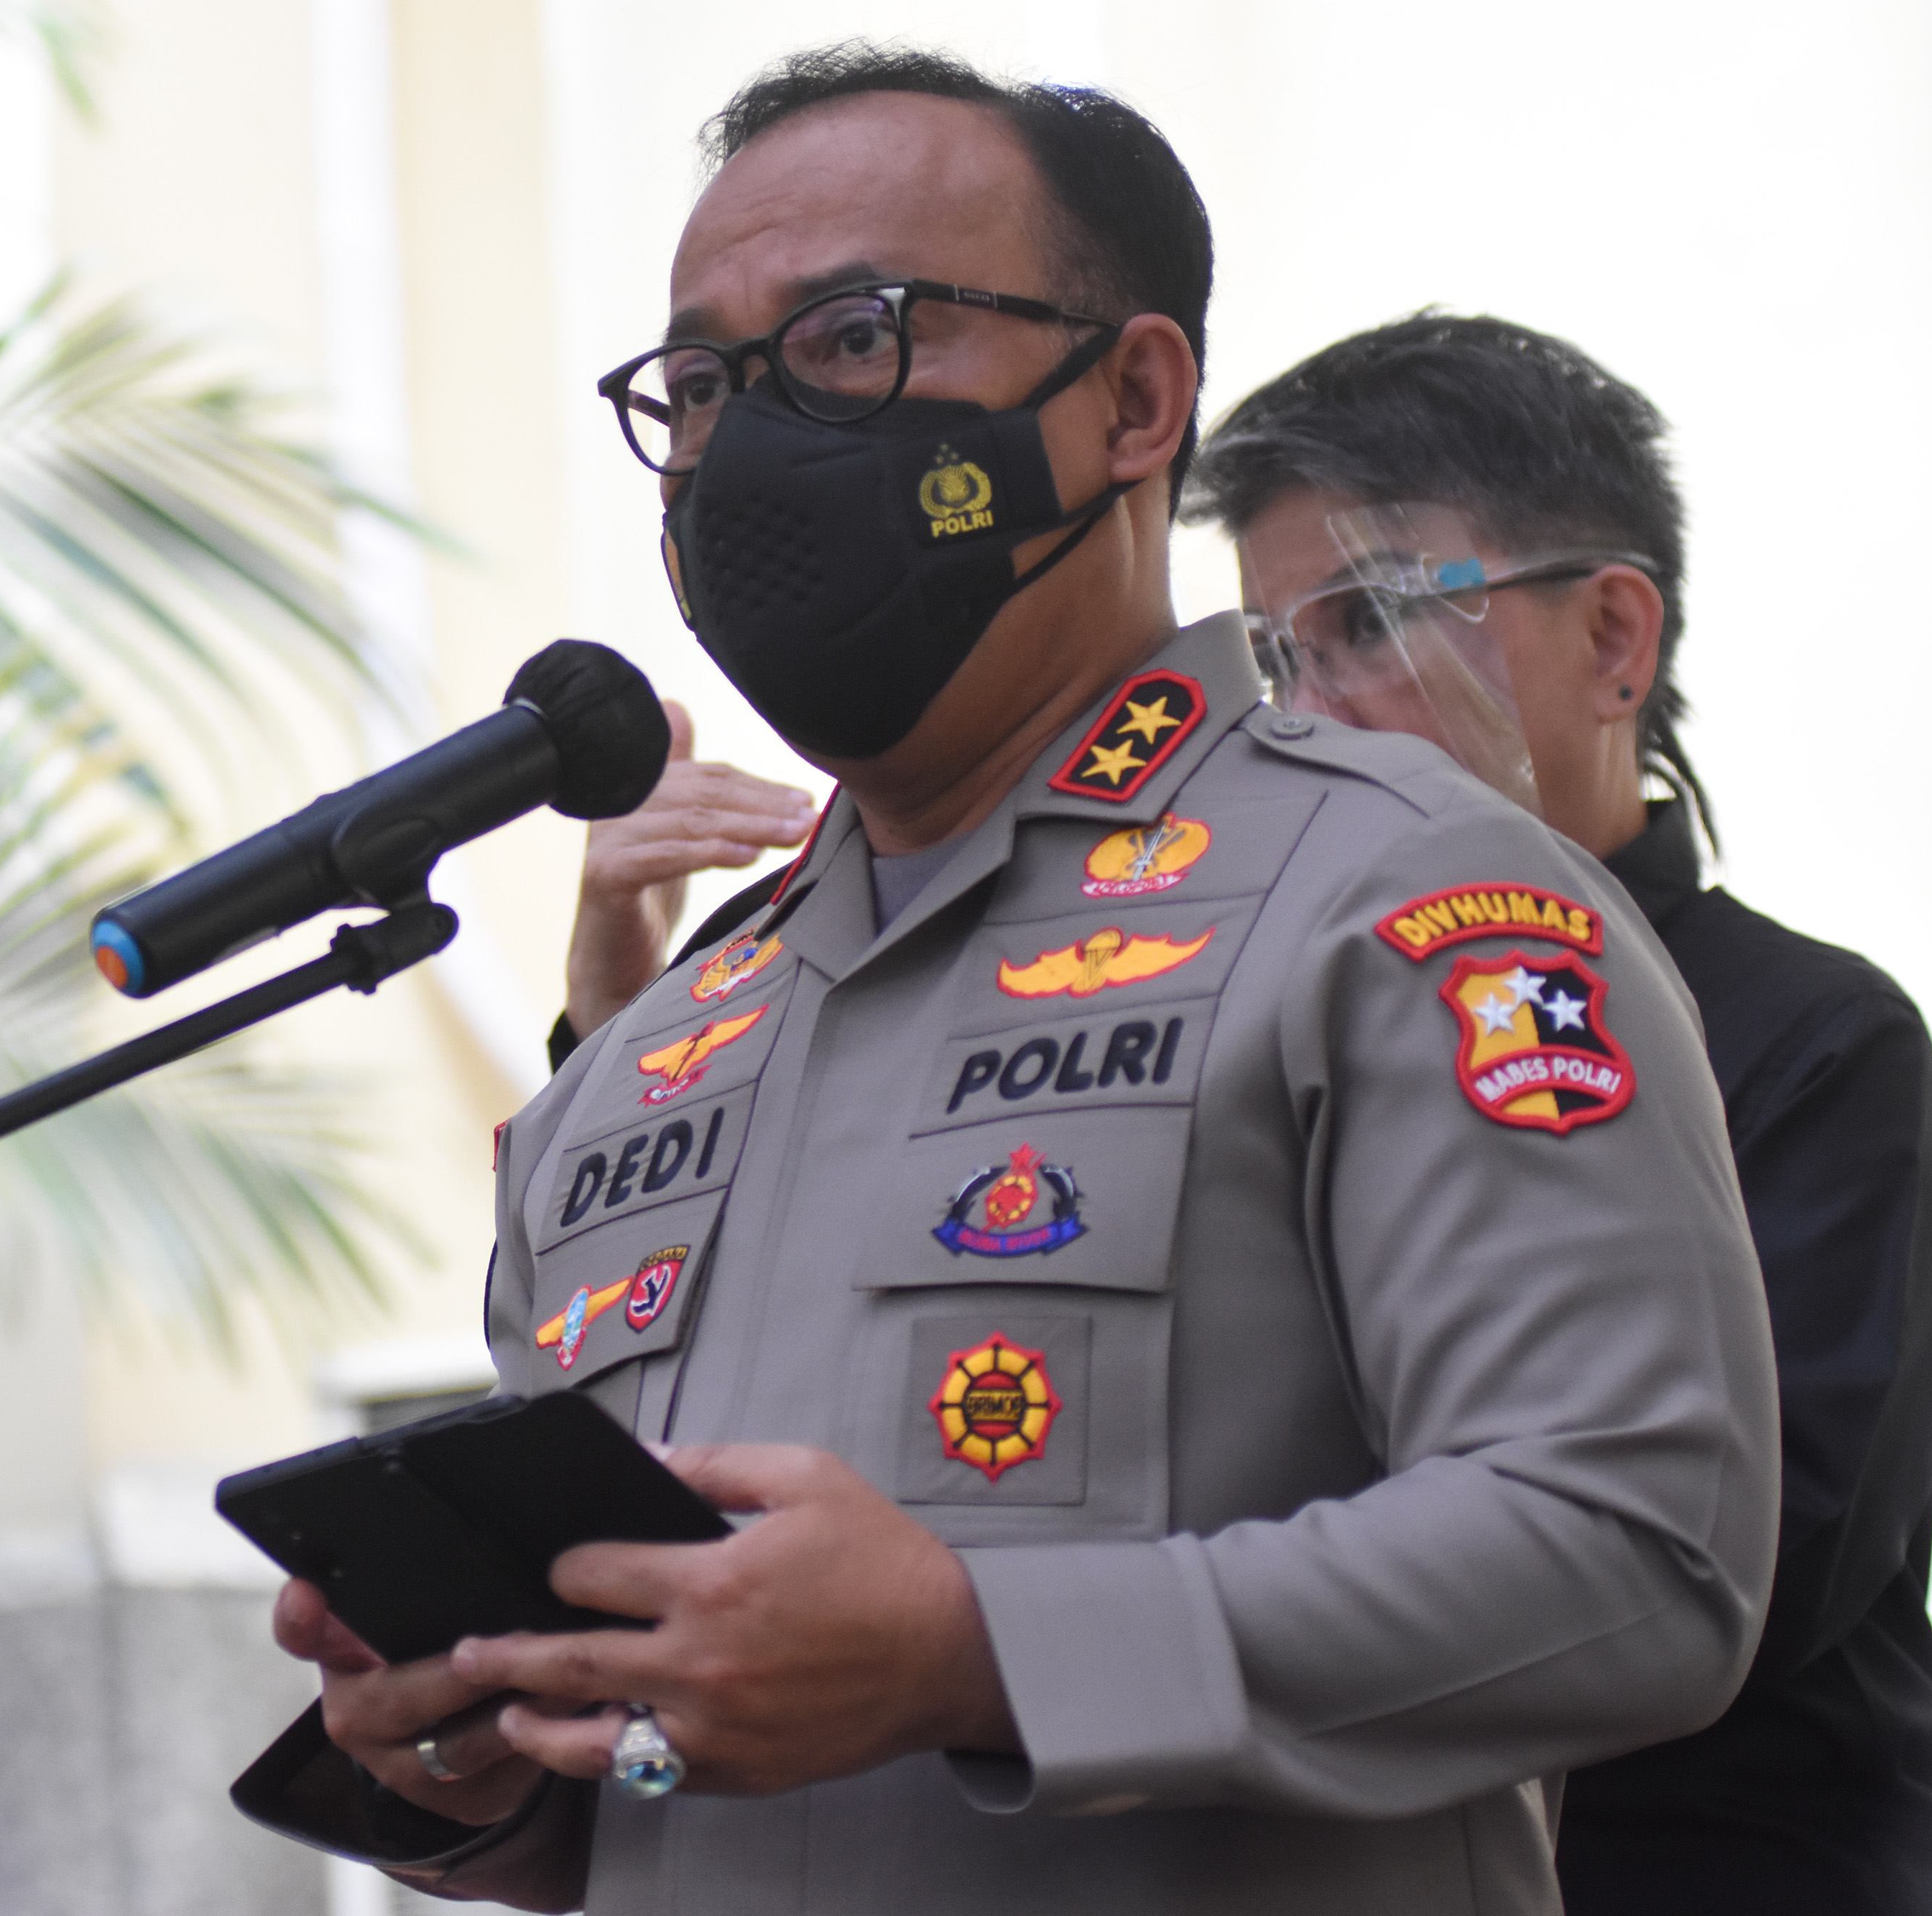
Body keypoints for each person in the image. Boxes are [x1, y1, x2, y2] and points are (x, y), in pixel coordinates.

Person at [247, 45, 1781, 1913]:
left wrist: (977, 1650)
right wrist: (474, 1749)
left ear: (1132, 401)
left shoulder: (1402, 895)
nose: (752, 444)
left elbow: (1634, 1553)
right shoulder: (640, 1061)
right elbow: (661, 1761)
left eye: (852, 339)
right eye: (703, 387)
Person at [1184, 313, 1932, 1915]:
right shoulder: (1246, 1027)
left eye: (1369, 620)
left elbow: (1735, 1568)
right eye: (1272, 656)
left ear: (1616, 637)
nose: (1304, 715)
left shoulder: (1815, 1038)